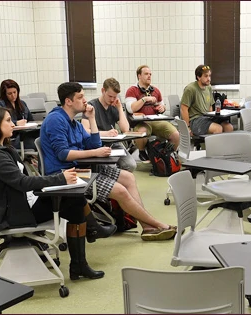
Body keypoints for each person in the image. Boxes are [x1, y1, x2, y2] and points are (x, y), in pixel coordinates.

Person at [0, 106, 105, 280]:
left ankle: (84, 253)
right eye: (7, 120)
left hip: (20, 203)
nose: (12, 124)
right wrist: (60, 179)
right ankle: (82, 257)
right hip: (16, 213)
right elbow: (22, 183)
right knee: (75, 202)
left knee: (75, 200)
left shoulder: (1, 148)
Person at [41, 82, 176, 241]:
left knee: (128, 177)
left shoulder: (73, 122)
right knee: (120, 190)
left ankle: (147, 227)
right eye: (80, 97)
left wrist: (92, 119)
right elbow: (63, 154)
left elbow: (94, 143)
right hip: (65, 174)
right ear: (68, 101)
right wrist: (95, 152)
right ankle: (156, 224)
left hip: (81, 168)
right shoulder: (56, 120)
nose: (85, 100)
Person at [125, 65, 180, 161]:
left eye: (150, 74)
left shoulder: (155, 91)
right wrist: (144, 99)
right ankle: (142, 152)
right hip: (141, 122)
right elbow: (131, 109)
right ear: (139, 76)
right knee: (141, 133)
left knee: (175, 134)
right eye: (146, 74)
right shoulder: (132, 90)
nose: (149, 76)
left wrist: (161, 108)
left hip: (156, 121)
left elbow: (162, 106)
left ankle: (167, 156)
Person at [82, 77, 136, 172]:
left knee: (131, 165)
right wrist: (106, 133)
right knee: (111, 169)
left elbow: (125, 129)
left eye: (114, 97)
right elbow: (85, 130)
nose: (112, 99)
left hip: (113, 144)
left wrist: (119, 108)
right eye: (110, 96)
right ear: (103, 91)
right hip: (98, 145)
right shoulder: (92, 106)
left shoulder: (114, 105)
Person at [181, 65, 234, 136]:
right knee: (218, 129)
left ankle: (225, 147)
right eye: (206, 76)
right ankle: (214, 147)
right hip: (195, 120)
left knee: (229, 127)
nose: (209, 79)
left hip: (207, 117)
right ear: (198, 77)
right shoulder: (190, 89)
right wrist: (187, 127)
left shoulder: (208, 87)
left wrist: (213, 117)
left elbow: (210, 106)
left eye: (209, 76)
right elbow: (183, 109)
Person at [0, 79, 36, 150]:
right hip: (12, 138)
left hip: (25, 134)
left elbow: (31, 120)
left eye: (15, 92)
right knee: (37, 143)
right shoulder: (0, 105)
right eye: (9, 94)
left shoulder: (22, 103)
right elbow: (0, 122)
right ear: (4, 94)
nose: (13, 96)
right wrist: (16, 123)